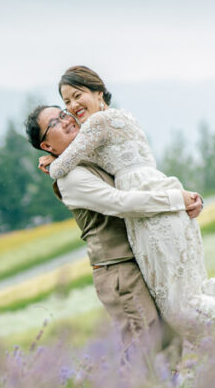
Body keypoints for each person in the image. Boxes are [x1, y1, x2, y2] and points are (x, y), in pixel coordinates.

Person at [38, 66, 215, 344]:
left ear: (98, 91)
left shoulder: (97, 125)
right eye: (66, 103)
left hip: (151, 211)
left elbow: (65, 168)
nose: (72, 107)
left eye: (77, 96)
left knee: (179, 309)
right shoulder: (120, 120)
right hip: (164, 193)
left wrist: (50, 161)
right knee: (195, 292)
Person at [25, 104, 194, 365]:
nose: (66, 120)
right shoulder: (70, 177)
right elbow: (120, 203)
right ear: (46, 145)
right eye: (55, 123)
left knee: (173, 342)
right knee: (148, 352)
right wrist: (176, 199)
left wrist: (189, 200)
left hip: (140, 260)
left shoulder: (89, 157)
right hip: (119, 272)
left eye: (62, 113)